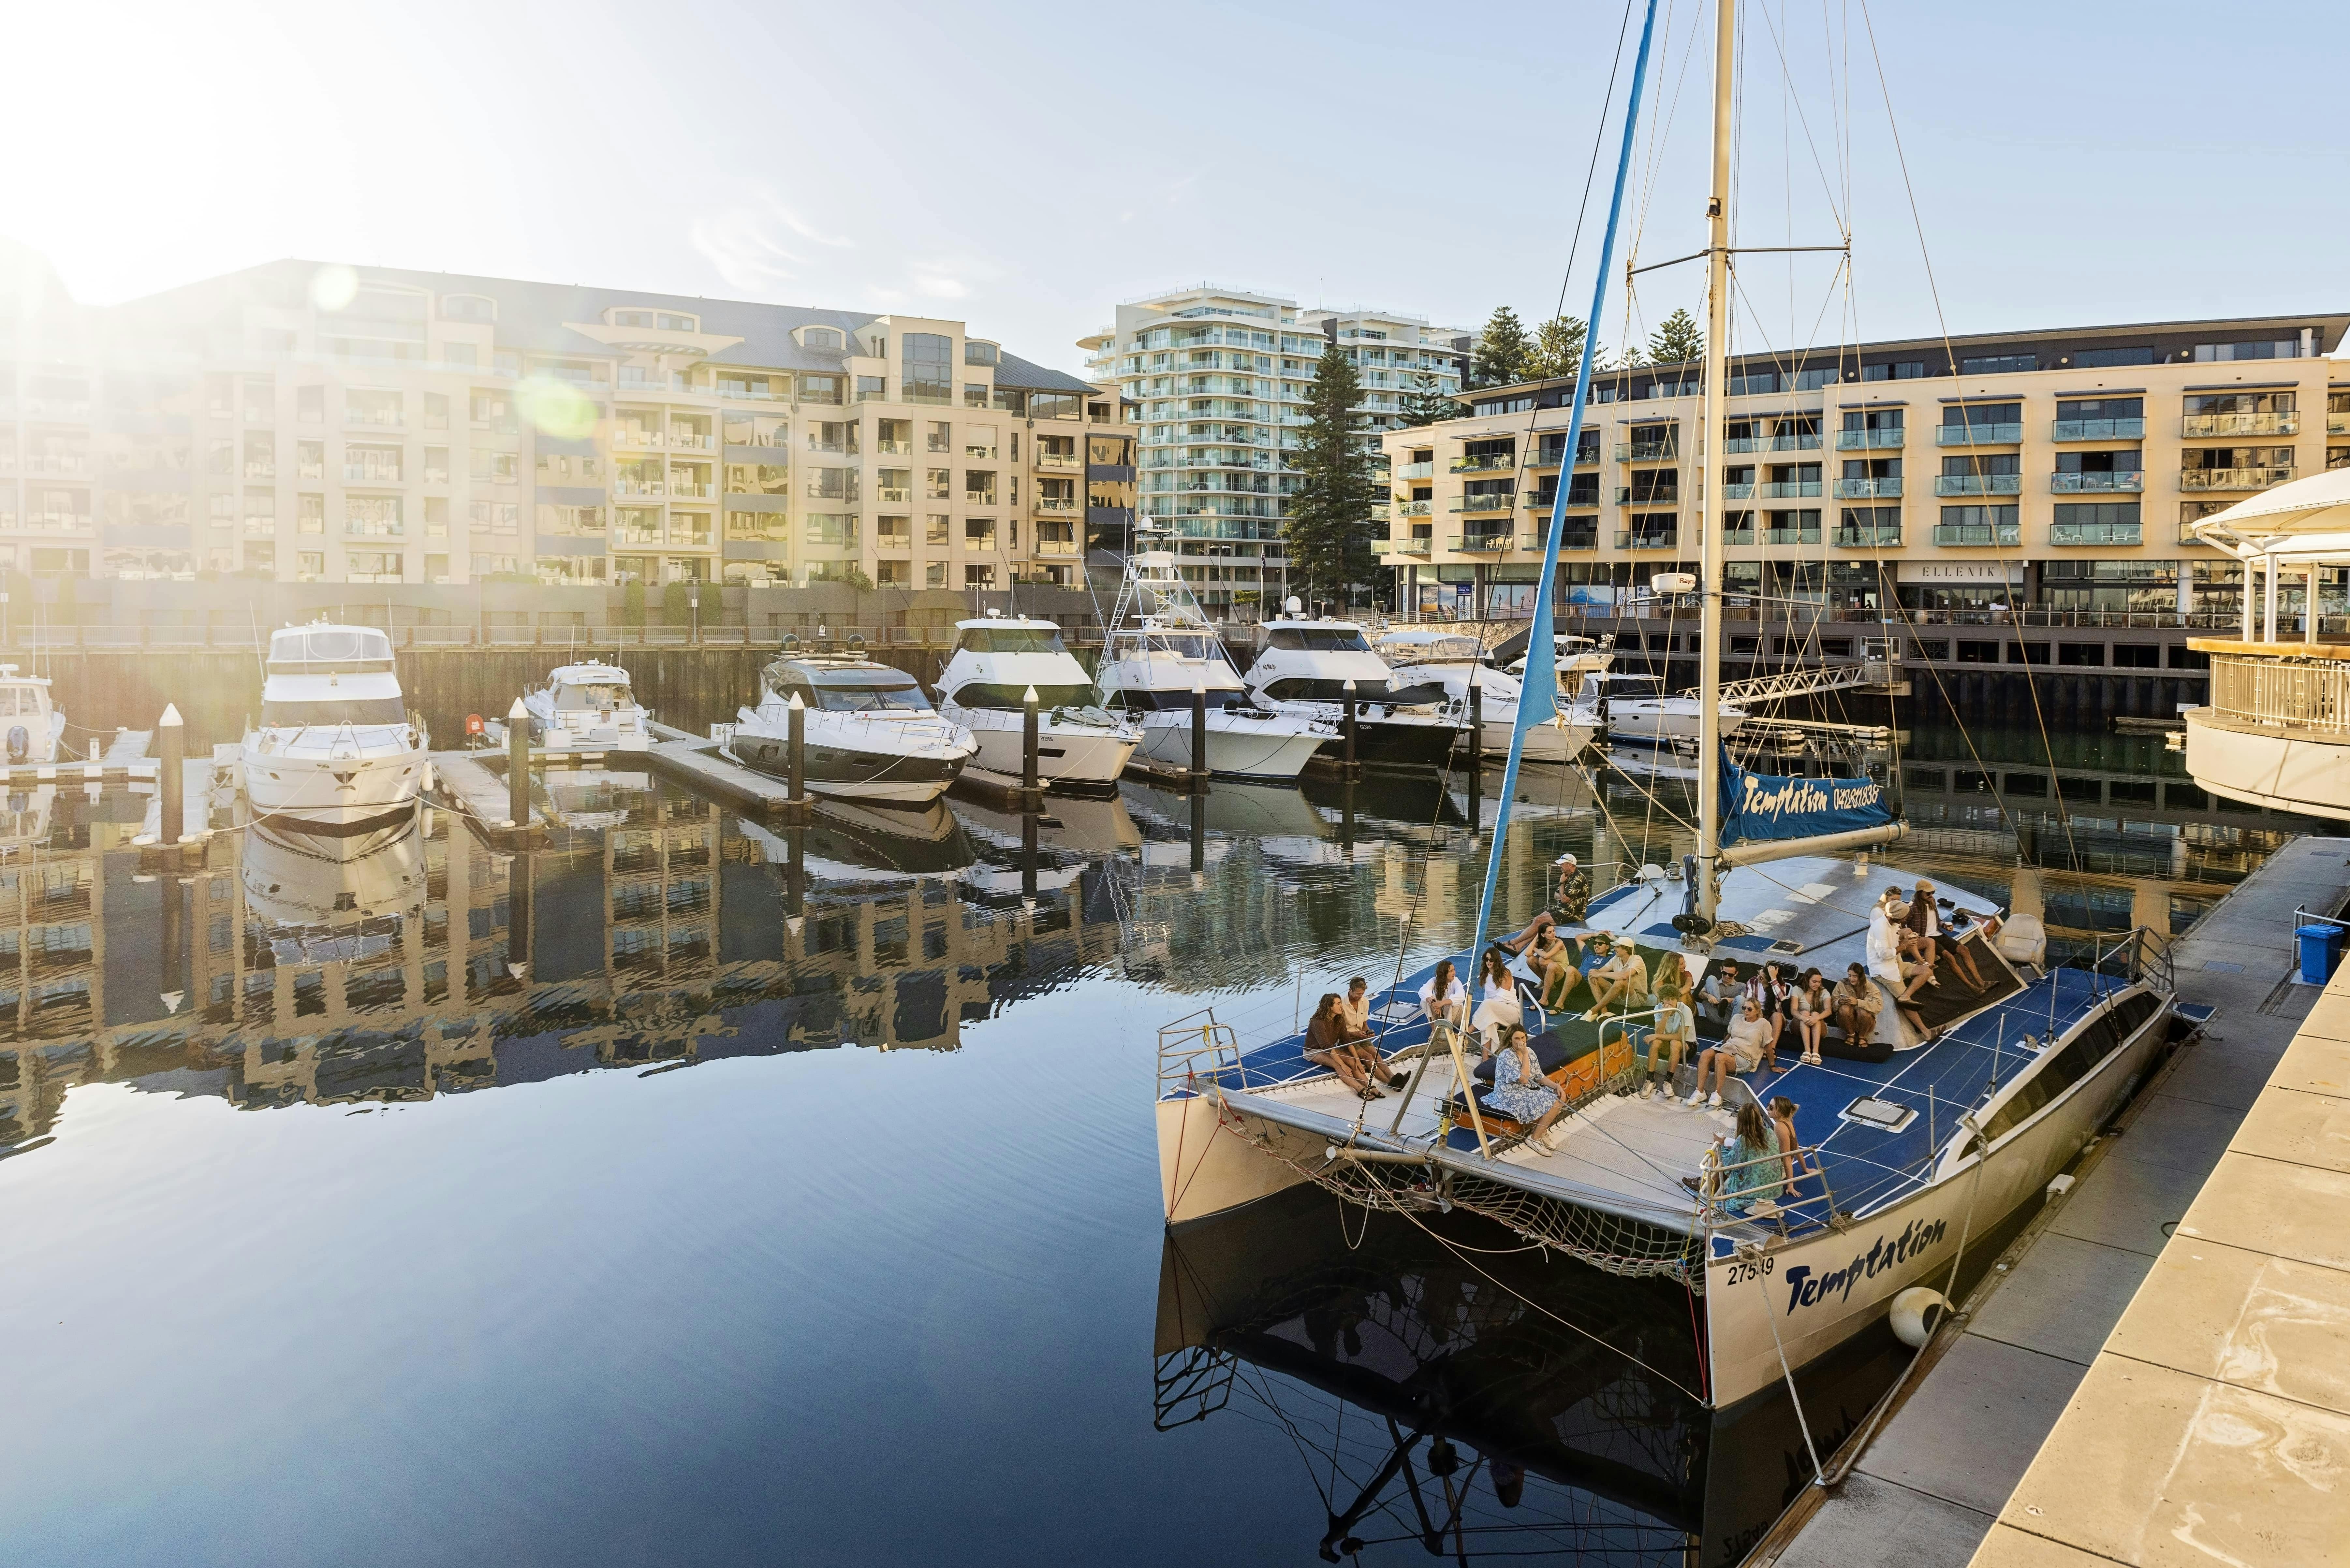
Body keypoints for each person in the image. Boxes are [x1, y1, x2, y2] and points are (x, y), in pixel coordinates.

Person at [1484, 1023, 1567, 1154]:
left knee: (1558, 1095)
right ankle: (1534, 1139)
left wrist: (1557, 1086)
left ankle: (1542, 1131)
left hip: (1523, 1091)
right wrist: (1525, 1055)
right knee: (1554, 1101)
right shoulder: (1507, 1056)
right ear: (1510, 1040)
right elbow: (1524, 1079)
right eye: (1517, 1039)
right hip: (1508, 1095)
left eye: (1523, 1038)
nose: (1521, 1042)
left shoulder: (1530, 1052)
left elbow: (1539, 1077)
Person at [1688, 997, 1774, 1108]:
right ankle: (1700, 1092)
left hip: (1745, 1057)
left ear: (1758, 1011)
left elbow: (1768, 1046)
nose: (1746, 1011)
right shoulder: (1737, 1018)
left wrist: (1772, 1066)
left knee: (1720, 1058)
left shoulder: (1763, 1024)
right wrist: (1722, 1047)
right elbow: (1729, 1036)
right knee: (1706, 1054)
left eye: (1749, 1009)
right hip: (1729, 1050)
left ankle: (1718, 1094)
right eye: (1744, 1008)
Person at [1866, 889, 1932, 1034]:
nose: (1905, 920)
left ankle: (1905, 996)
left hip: (1897, 965)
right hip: (1884, 971)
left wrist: (1908, 940)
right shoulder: (1880, 928)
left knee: (1926, 971)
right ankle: (1926, 1033)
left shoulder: (1893, 924)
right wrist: (1904, 946)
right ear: (1896, 917)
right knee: (1908, 1005)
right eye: (1904, 918)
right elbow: (1884, 954)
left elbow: (1895, 942)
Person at [1304, 992, 1387, 1098]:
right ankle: (1359, 1088)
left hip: (1331, 1048)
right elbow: (1326, 1047)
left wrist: (1357, 1060)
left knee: (1352, 1062)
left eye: (1341, 1003)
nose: (1341, 1006)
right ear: (1329, 1007)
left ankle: (1370, 1087)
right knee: (1337, 1064)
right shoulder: (1318, 1023)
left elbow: (1347, 1041)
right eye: (1338, 1004)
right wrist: (1343, 1065)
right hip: (1314, 1051)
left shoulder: (1339, 1019)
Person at [1713, 1101, 1785, 1215]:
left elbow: (1729, 1163)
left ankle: (1709, 1190)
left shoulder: (1744, 1140)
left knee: (1718, 1155)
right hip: (1773, 1189)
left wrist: (1720, 1144)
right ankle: (1709, 1187)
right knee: (1729, 1151)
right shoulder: (1770, 1133)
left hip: (1753, 1191)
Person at [1640, 970, 1696, 1100]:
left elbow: (1680, 1037)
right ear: (1662, 1000)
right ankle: (1650, 1079)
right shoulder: (1659, 1009)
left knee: (1674, 1043)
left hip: (1688, 1046)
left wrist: (1655, 1036)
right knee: (1656, 1042)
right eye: (1667, 999)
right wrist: (1665, 1016)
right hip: (1668, 1043)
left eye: (1673, 999)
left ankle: (1668, 1081)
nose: (1670, 1003)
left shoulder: (1685, 1010)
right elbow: (1659, 1033)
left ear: (1677, 999)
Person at [1583, 938, 1650, 1021]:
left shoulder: (1637, 960)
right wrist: (1594, 971)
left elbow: (1624, 976)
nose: (1614, 949)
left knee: (1621, 982)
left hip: (1636, 999)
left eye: (1618, 947)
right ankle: (1604, 1012)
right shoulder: (1617, 958)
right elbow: (1599, 971)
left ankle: (1594, 1010)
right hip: (1618, 995)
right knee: (1592, 976)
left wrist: (1600, 974)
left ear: (1626, 949)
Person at [1744, 960, 1792, 1070]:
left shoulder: (1780, 984)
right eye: (1758, 974)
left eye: (1761, 978)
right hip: (1756, 1011)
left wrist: (1774, 980)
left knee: (1778, 1016)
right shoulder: (1753, 982)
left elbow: (1781, 998)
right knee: (1757, 1016)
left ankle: (1772, 1049)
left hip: (1771, 1013)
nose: (1758, 978)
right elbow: (1749, 1001)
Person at [1472, 949, 1523, 1049]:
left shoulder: (1505, 973)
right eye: (1486, 959)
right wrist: (1487, 1011)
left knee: (1487, 1005)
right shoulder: (1485, 974)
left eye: (1491, 960)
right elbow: (1488, 996)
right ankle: (1487, 1056)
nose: (1488, 962)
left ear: (1496, 960)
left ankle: (1468, 1031)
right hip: (1494, 1010)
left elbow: (1502, 997)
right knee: (1488, 1025)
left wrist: (1486, 1009)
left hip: (1511, 1012)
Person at [1768, 1095, 1821, 1188]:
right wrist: (1805, 1169)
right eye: (1768, 1105)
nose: (1767, 1109)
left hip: (1779, 1170)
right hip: (1781, 1166)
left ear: (1780, 1111)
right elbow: (1796, 1147)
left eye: (1771, 1107)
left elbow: (1787, 1157)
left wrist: (1790, 1186)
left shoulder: (1779, 1126)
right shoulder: (1788, 1121)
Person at [1902, 879, 1945, 983]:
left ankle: (1929, 972)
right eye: (1928, 893)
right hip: (1914, 940)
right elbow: (1903, 923)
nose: (1931, 896)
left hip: (1934, 935)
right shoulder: (1913, 908)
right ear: (1920, 893)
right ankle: (1928, 970)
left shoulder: (1932, 902)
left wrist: (1944, 925)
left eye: (1933, 893)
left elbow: (1936, 919)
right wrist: (1908, 934)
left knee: (1931, 942)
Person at [1831, 962, 1883, 1048]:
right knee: (1844, 1009)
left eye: (1855, 976)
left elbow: (1879, 1006)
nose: (1852, 979)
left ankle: (1862, 1037)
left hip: (1866, 1022)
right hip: (1846, 1021)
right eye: (1850, 976)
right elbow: (1833, 1005)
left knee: (1863, 1011)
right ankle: (1851, 1034)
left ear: (1861, 976)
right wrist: (1839, 1002)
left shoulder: (1871, 987)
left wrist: (1858, 1002)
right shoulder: (1842, 984)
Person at [1939, 907, 1990, 990]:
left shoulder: (1930, 905)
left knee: (1964, 950)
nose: (1932, 899)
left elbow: (1936, 920)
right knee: (1949, 957)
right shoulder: (1918, 908)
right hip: (1929, 938)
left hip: (1938, 935)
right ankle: (1972, 987)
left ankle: (1981, 983)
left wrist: (1943, 925)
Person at [1791, 967, 1833, 1066]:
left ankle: (1815, 1052)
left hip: (1817, 1026)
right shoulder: (1797, 989)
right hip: (1800, 1024)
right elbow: (1793, 1010)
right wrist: (1804, 1018)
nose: (1817, 985)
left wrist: (1816, 1018)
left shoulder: (1824, 992)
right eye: (1815, 982)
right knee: (1805, 1013)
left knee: (1815, 1014)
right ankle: (1807, 1051)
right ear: (1807, 980)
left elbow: (1829, 1010)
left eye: (1819, 982)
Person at [1419, 960, 1467, 1030]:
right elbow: (1423, 990)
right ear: (1444, 974)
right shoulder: (1435, 980)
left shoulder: (1456, 981)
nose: (1454, 973)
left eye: (1454, 970)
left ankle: (1446, 1030)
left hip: (1455, 1018)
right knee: (1424, 1001)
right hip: (1441, 1014)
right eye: (1451, 971)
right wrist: (1433, 1003)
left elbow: (1461, 996)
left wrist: (1442, 1003)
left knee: (1454, 1003)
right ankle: (1434, 1029)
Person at [1551, 853, 1590, 924]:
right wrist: (1563, 897)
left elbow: (1564, 900)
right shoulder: (1566, 876)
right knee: (1537, 919)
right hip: (1561, 909)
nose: (1560, 866)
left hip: (1572, 914)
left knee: (1539, 921)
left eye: (1562, 864)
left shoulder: (1578, 879)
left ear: (1569, 865)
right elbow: (1556, 896)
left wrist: (1562, 883)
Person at [1695, 964, 1735, 1030]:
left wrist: (1731, 1000)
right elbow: (1700, 994)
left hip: (1731, 1018)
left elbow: (1744, 1004)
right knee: (1711, 978)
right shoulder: (1713, 984)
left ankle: (1720, 1005)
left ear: (1736, 974)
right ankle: (1719, 1005)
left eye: (1731, 975)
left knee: (1740, 999)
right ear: (1721, 970)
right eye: (1725, 973)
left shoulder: (1741, 986)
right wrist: (1709, 996)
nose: (1727, 976)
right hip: (1714, 1013)